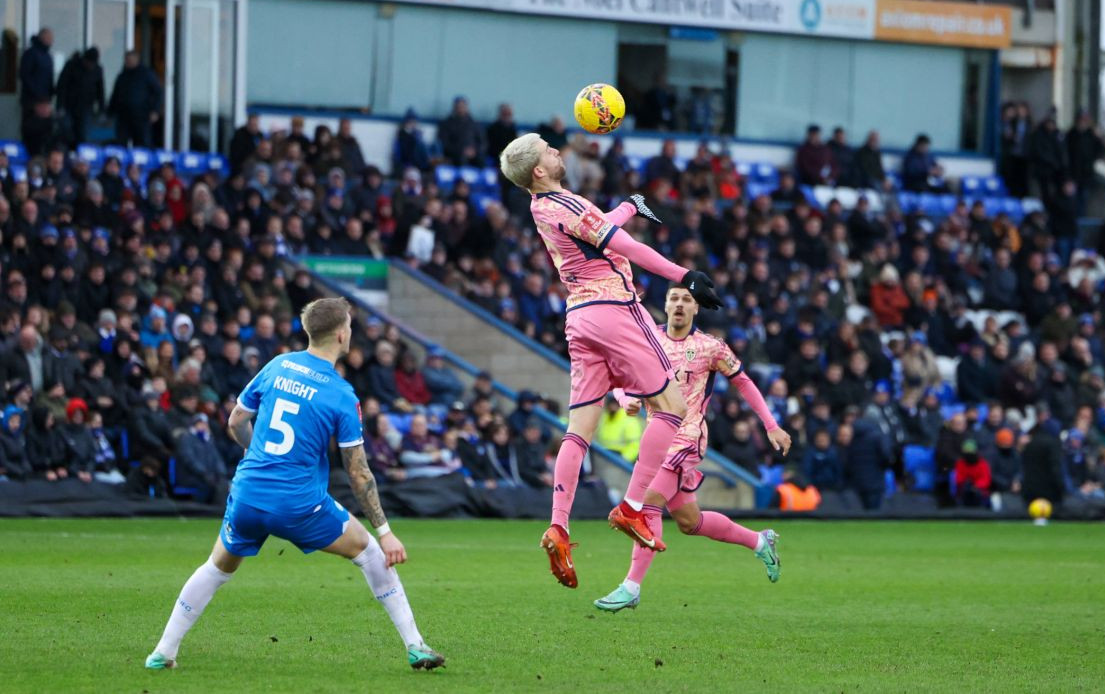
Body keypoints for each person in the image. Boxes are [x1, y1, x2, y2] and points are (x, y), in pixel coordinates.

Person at [144, 298, 444, 671]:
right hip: (299, 503)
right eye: (349, 325)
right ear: (340, 333)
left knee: (217, 567)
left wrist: (256, 454)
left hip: (249, 492)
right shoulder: (341, 394)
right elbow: (359, 472)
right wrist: (385, 531)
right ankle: (416, 646)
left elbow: (236, 420)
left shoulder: (277, 365)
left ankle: (163, 652)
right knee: (370, 553)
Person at [499, 132, 724, 588]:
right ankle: (632, 506)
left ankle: (559, 526)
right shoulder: (565, 202)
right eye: (549, 149)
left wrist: (628, 205)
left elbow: (598, 229)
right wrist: (686, 276)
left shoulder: (544, 206)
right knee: (673, 408)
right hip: (615, 308)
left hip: (579, 319)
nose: (557, 150)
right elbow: (625, 247)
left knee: (579, 430)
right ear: (538, 170)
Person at [593, 284, 791, 612]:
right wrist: (626, 399)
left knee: (645, 506)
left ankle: (631, 587)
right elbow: (619, 380)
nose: (681, 304)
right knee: (689, 521)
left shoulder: (710, 347)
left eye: (688, 300)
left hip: (688, 438)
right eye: (675, 298)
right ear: (666, 306)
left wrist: (771, 425)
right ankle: (760, 541)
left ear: (696, 309)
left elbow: (743, 380)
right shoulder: (647, 339)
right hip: (657, 440)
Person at [108, 51, 162, 148]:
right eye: (126, 60)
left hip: (141, 115)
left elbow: (158, 92)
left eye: (130, 60)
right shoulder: (122, 76)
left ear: (137, 60)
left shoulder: (146, 74)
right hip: (123, 116)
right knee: (121, 143)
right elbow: (115, 95)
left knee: (142, 144)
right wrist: (110, 112)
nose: (128, 62)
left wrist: (155, 111)